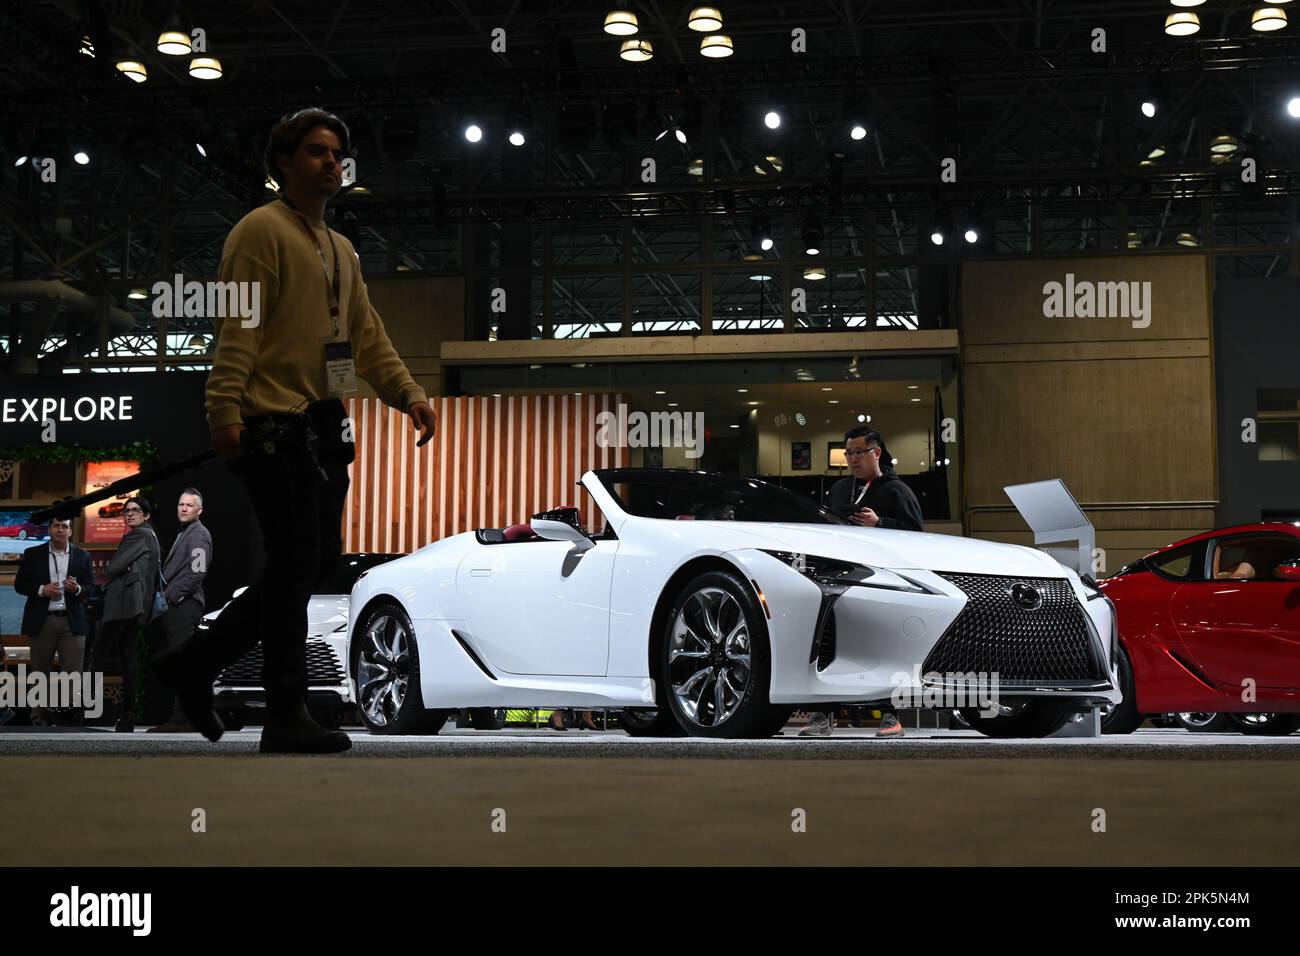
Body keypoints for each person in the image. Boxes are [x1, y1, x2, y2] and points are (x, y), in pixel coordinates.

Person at [155, 107, 437, 754]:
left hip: (321, 425)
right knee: (293, 563)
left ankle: (195, 663)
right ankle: (285, 711)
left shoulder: (341, 250)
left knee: (313, 563)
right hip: (270, 424)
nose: (330, 161)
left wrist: (409, 395)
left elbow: (367, 339)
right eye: (315, 151)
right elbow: (237, 330)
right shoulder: (259, 231)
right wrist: (223, 410)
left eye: (337, 152)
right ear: (281, 162)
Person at [801, 426, 925, 739]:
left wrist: (879, 523)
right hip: (839, 577)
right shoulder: (841, 489)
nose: (853, 459)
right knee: (828, 644)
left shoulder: (897, 490)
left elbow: (917, 533)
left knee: (880, 645)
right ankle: (823, 715)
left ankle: (890, 715)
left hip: (882, 580)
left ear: (876, 453)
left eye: (859, 452)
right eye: (849, 453)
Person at [13, 517, 96, 726]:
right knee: (40, 671)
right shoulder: (33, 554)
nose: (60, 529)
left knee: (73, 674)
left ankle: (69, 718)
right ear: (49, 529)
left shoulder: (82, 556)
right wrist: (42, 590)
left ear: (70, 531)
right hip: (43, 620)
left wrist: (76, 589)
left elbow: (90, 589)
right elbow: (20, 584)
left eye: (65, 526)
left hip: (72, 621)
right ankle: (38, 718)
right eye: (56, 525)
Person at [149, 488, 213, 732]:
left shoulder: (198, 534)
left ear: (200, 510)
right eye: (181, 504)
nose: (184, 508)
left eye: (189, 505)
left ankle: (181, 719)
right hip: (177, 606)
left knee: (183, 663)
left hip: (184, 606)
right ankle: (182, 717)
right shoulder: (186, 532)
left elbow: (197, 572)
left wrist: (170, 597)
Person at [99, 498, 161, 733]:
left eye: (136, 510)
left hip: (125, 605)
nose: (130, 514)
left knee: (99, 654)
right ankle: (128, 714)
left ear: (146, 515)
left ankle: (77, 709)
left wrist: (118, 566)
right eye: (127, 511)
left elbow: (112, 567)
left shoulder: (138, 535)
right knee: (127, 658)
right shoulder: (151, 536)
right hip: (137, 607)